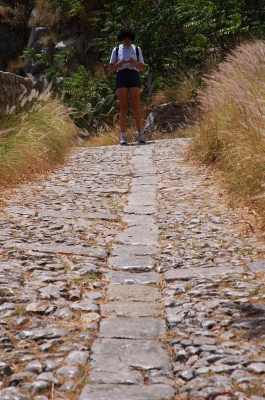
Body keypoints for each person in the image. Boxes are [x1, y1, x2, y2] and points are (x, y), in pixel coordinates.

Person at [109, 26, 145, 145]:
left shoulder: (137, 49)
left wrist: (134, 63)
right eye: (125, 39)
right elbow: (111, 68)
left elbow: (142, 67)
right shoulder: (116, 50)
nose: (127, 41)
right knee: (123, 107)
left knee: (136, 107)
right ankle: (123, 135)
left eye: (129, 39)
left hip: (133, 75)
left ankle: (140, 133)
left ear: (132, 39)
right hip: (121, 76)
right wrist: (119, 63)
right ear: (122, 39)